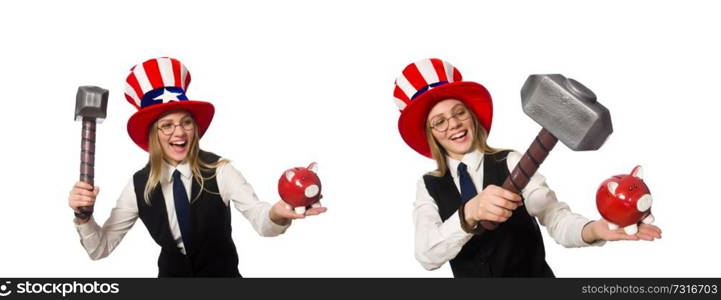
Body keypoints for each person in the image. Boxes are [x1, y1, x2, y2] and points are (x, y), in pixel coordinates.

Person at [392, 58, 661, 277]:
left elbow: (555, 217)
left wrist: (593, 230)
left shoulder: (511, 161)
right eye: (439, 121)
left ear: (472, 115)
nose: (453, 124)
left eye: (459, 112)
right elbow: (426, 256)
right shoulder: (427, 185)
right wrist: (469, 212)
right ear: (430, 133)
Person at [68, 57, 326, 277]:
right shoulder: (138, 186)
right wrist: (84, 217)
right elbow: (99, 248)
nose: (179, 132)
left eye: (186, 122)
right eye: (167, 125)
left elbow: (262, 221)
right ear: (153, 135)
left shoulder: (222, 171)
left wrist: (278, 213)